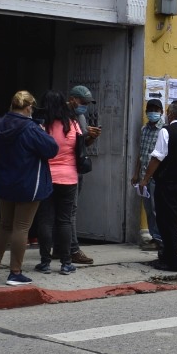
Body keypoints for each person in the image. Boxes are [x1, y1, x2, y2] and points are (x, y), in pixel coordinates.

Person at [0, 91, 58, 286]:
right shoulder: (30, 128)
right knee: (21, 227)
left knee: (4, 225)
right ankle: (15, 272)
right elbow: (52, 149)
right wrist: (41, 129)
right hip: (28, 182)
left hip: (5, 181)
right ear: (28, 108)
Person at [138, 99, 177, 272]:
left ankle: (170, 260)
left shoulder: (166, 131)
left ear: (170, 114)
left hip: (166, 184)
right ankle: (172, 256)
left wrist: (145, 179)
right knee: (174, 222)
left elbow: (157, 157)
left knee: (164, 222)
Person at [33, 90, 81, 275]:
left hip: (47, 177)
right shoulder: (73, 125)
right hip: (69, 177)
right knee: (64, 221)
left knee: (45, 220)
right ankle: (66, 262)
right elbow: (80, 147)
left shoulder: (42, 127)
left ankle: (45, 262)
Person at [66, 85, 102, 265]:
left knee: (68, 210)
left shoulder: (80, 116)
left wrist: (92, 137)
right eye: (83, 102)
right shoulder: (62, 115)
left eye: (88, 103)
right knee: (69, 210)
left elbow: (81, 146)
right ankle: (72, 249)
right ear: (72, 99)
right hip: (65, 169)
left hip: (75, 167)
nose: (85, 106)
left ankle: (62, 248)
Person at [130, 99, 164, 253]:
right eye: (150, 109)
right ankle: (154, 236)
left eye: (156, 110)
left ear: (161, 112)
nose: (153, 112)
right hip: (143, 176)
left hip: (157, 176)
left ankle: (160, 239)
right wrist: (137, 173)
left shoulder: (164, 130)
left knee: (158, 209)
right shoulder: (144, 129)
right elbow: (141, 154)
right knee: (149, 209)